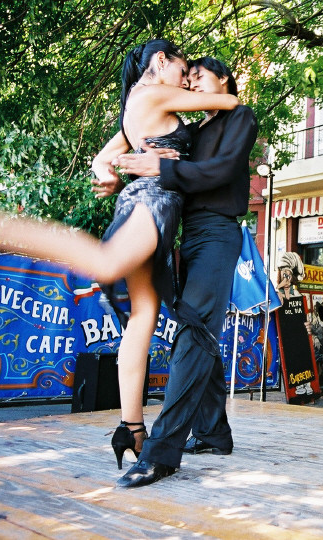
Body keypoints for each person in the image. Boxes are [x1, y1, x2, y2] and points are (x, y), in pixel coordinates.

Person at [0, 39, 240, 471]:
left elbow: (102, 160)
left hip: (146, 202)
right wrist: (201, 100)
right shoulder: (155, 93)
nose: (188, 78)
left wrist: (110, 177)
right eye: (185, 69)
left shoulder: (137, 105)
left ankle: (132, 427)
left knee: (143, 319)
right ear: (162, 61)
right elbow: (229, 99)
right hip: (153, 203)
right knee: (105, 264)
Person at [101, 57, 259, 488]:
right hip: (185, 237)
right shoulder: (195, 129)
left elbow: (223, 170)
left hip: (219, 232)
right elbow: (136, 143)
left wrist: (166, 168)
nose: (191, 85)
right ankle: (214, 434)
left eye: (198, 78)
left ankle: (161, 452)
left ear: (223, 79)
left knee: (193, 335)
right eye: (186, 80)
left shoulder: (239, 116)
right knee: (195, 329)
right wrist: (127, 167)